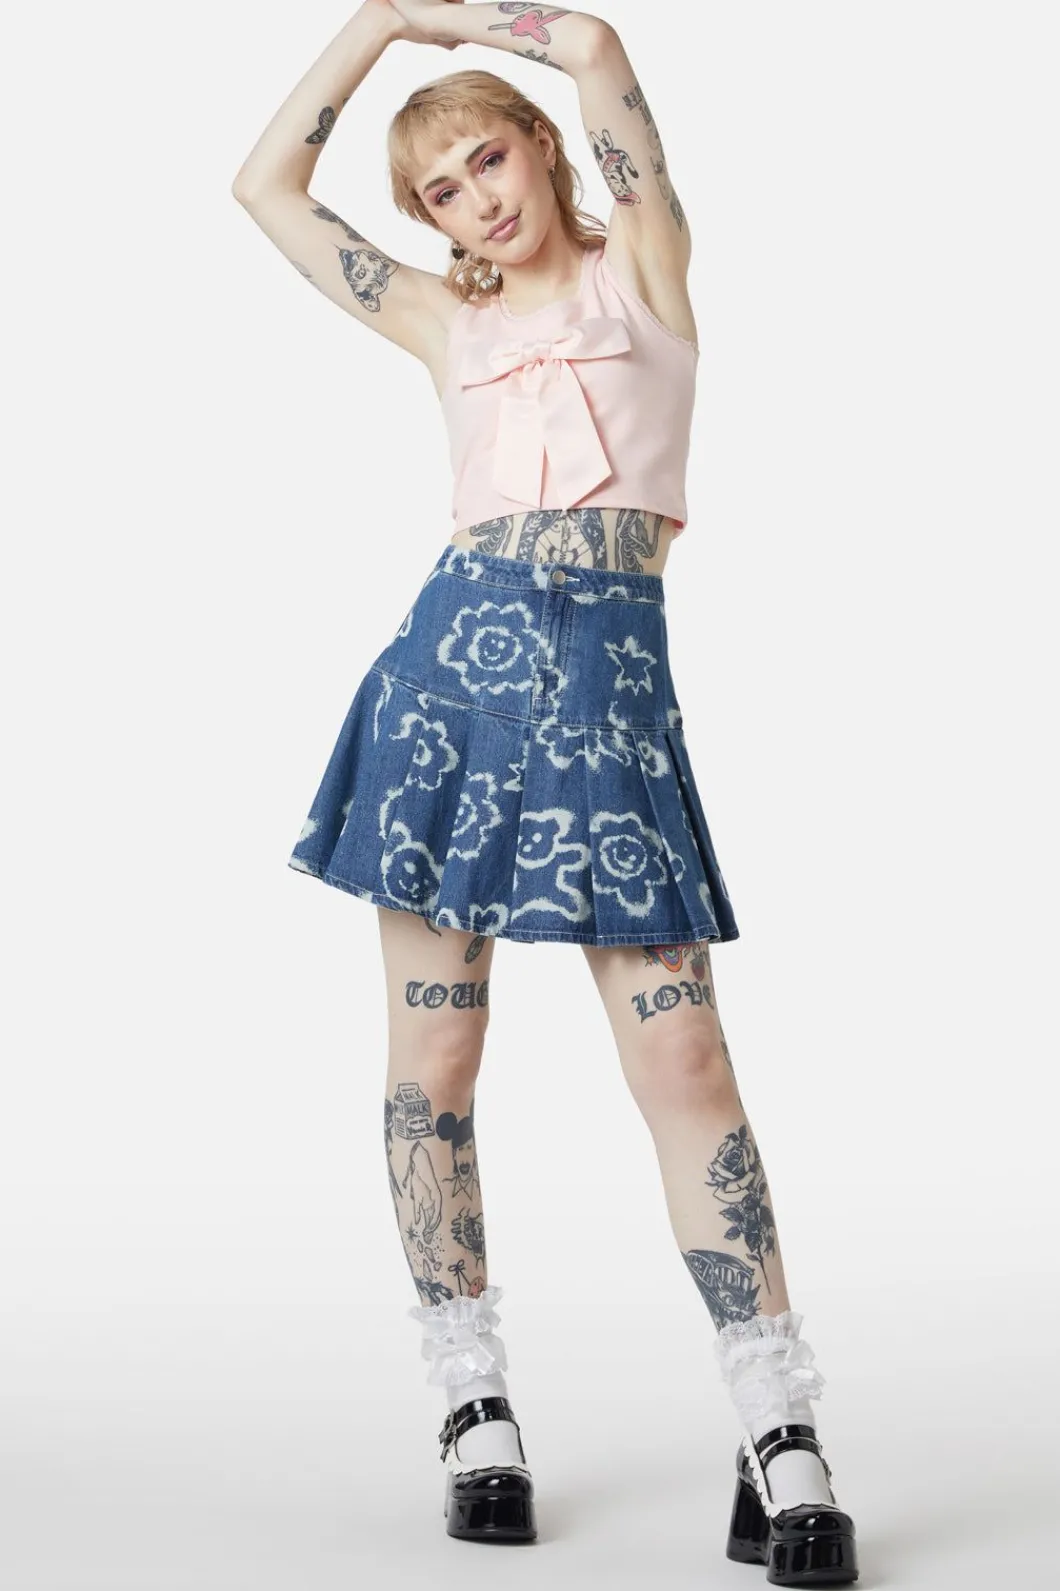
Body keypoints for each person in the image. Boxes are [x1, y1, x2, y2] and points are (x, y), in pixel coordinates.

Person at [232, 2, 859, 1580]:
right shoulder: (441, 320)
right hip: (443, 701)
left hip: (609, 713)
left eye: (487, 161)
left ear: (538, 149)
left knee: (688, 1060)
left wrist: (485, 30)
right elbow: (264, 188)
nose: (474, 203)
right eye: (438, 192)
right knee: (436, 1060)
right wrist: (375, 28)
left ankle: (780, 1431)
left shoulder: (645, 269)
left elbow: (593, 51)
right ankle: (475, 1410)